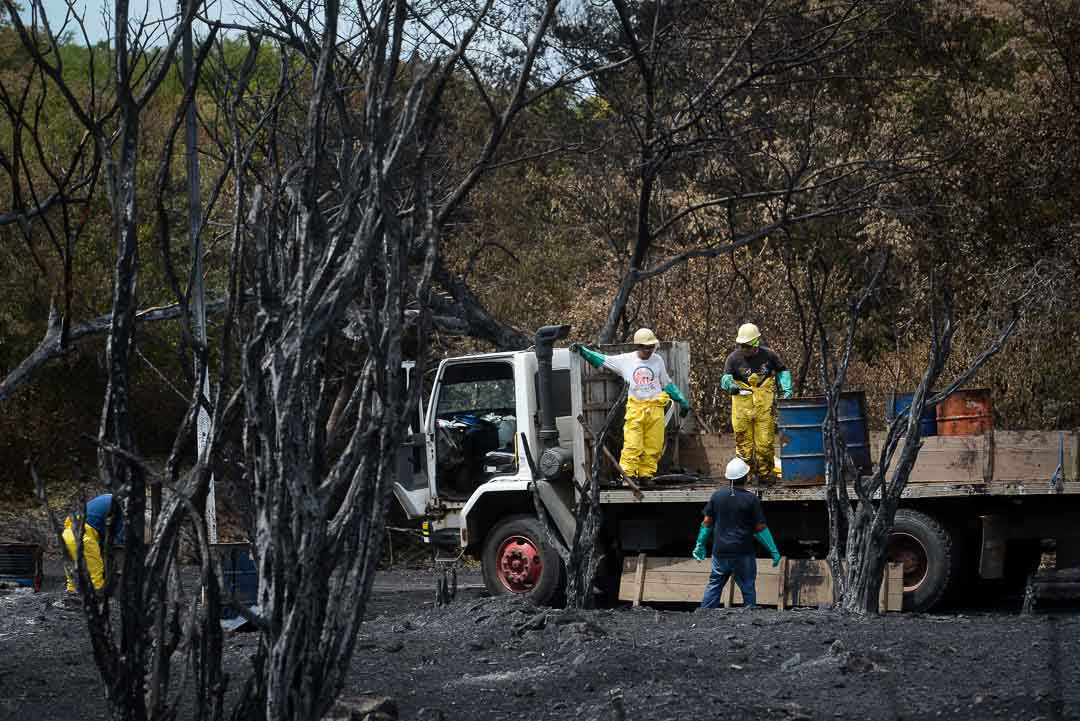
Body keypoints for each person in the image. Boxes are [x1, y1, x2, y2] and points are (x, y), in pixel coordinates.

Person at [570, 328, 691, 486]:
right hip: (636, 409)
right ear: (637, 346)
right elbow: (603, 360)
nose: (648, 350)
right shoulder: (626, 360)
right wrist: (583, 351)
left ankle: (646, 475)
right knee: (633, 444)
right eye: (644, 347)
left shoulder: (657, 360)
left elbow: (666, 383)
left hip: (655, 408)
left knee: (653, 445)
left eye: (650, 347)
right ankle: (627, 476)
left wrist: (681, 400)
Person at [692, 457, 781, 609]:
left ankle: (704, 615)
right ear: (745, 477)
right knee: (747, 586)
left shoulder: (717, 496)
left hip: (720, 552)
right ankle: (750, 614)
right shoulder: (751, 499)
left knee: (714, 584)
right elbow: (760, 528)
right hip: (743, 552)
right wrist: (773, 550)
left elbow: (707, 523)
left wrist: (700, 545)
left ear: (728, 478)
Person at [720, 323, 793, 483]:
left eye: (747, 346)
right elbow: (725, 378)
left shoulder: (769, 356)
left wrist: (786, 390)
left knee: (765, 443)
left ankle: (765, 474)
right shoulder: (733, 358)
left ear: (756, 343)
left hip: (763, 405)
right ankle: (744, 475)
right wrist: (730, 385)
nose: (744, 349)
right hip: (742, 406)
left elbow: (782, 371)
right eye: (742, 346)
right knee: (743, 443)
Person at [62, 493, 125, 593]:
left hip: (67, 532)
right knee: (95, 577)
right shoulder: (119, 505)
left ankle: (71, 598)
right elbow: (120, 538)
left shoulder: (107, 497)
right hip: (83, 535)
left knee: (73, 574)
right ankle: (97, 602)